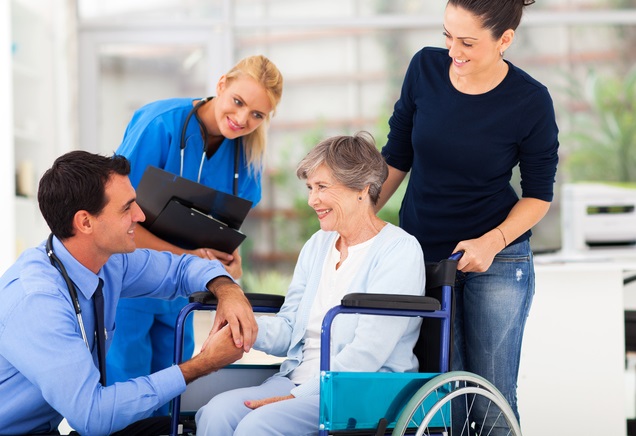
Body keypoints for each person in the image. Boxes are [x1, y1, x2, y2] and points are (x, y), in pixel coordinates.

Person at [376, 0, 559, 431]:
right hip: (422, 256)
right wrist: (359, 219)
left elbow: (538, 196)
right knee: (440, 398)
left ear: (505, 40)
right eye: (447, 35)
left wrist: (492, 242)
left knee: (488, 397)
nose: (453, 50)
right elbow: (396, 157)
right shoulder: (425, 69)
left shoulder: (530, 101)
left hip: (496, 259)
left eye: (468, 42)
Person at [0, 151, 256, 435]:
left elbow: (181, 269)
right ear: (85, 222)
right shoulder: (36, 300)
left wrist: (228, 289)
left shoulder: (109, 262)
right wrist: (202, 364)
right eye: (127, 208)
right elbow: (93, 416)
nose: (141, 216)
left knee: (190, 428)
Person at [195, 131, 426, 435]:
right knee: (215, 414)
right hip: (295, 380)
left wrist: (295, 396)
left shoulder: (399, 250)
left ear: (362, 188)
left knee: (257, 426)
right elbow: (290, 328)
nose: (311, 199)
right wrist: (242, 326)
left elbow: (368, 353)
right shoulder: (318, 245)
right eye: (309, 187)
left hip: (355, 392)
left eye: (321, 187)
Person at [106, 54, 284, 412]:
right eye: (238, 102)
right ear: (221, 85)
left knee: (170, 394)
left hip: (180, 293)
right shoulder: (160, 124)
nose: (242, 119)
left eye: (257, 115)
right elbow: (116, 221)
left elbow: (228, 231)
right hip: (129, 278)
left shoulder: (247, 155)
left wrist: (231, 264)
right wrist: (192, 258)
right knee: (124, 394)